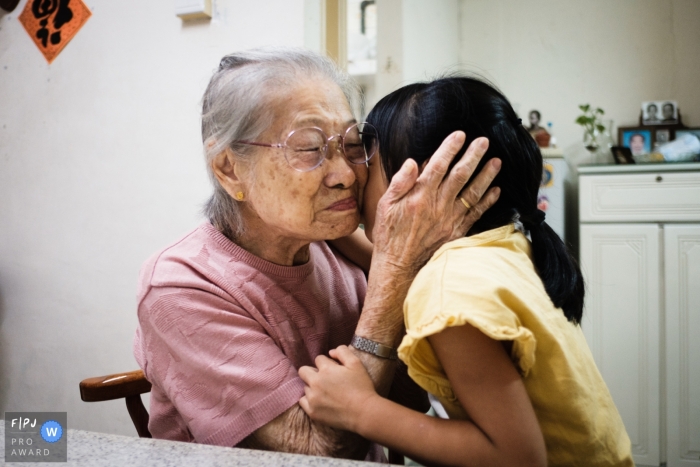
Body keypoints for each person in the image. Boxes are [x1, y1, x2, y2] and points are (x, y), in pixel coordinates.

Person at [133, 49, 501, 461]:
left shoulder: (335, 242)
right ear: (229, 169)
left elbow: (409, 398)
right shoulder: (181, 286)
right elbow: (317, 451)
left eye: (352, 144)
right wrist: (394, 274)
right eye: (309, 149)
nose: (346, 174)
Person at [299, 76, 634, 466]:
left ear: (425, 179)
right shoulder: (501, 245)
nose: (353, 180)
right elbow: (391, 259)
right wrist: (324, 226)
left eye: (367, 162)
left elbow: (517, 458)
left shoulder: (449, 288)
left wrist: (360, 409)